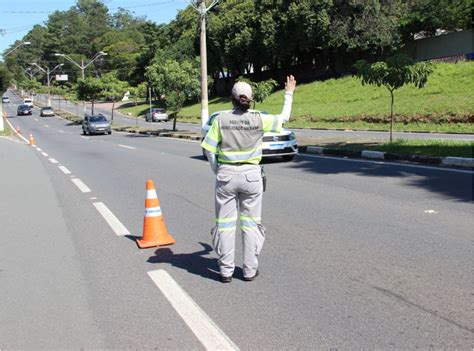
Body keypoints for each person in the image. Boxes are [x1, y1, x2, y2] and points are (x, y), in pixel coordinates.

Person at [201, 75, 297, 283]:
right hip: (252, 177)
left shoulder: (221, 119)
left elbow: (208, 148)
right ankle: (249, 270)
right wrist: (289, 93)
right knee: (250, 224)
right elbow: (284, 118)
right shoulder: (258, 118)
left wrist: (217, 169)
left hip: (226, 175)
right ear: (251, 99)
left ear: (232, 99)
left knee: (225, 225)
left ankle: (226, 271)